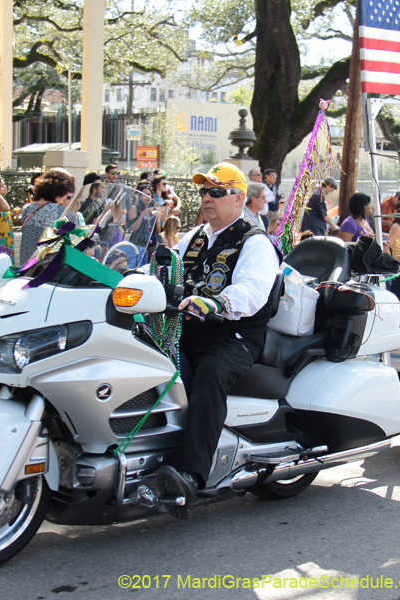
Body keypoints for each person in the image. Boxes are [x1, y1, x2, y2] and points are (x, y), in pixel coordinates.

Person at [152, 162, 280, 519]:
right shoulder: (193, 237)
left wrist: (216, 302)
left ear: (239, 198)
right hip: (184, 327)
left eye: (217, 191)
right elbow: (164, 270)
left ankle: (189, 476)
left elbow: (252, 293)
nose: (207, 198)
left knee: (210, 374)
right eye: (204, 191)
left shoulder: (255, 242)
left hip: (232, 334)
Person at [19, 169, 74, 265]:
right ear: (60, 190)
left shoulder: (27, 209)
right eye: (67, 192)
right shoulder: (60, 211)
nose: (67, 195)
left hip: (26, 265)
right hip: (47, 268)